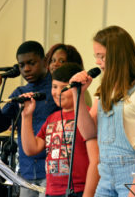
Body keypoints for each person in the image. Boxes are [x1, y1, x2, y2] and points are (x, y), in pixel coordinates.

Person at [69, 25, 135, 197]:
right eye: (96, 57)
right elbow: (88, 132)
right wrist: (79, 96)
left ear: (118, 56)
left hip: (134, 175)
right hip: (106, 175)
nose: (98, 62)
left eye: (102, 57)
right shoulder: (104, 91)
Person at [0, 41, 58, 197]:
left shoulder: (56, 89)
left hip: (52, 170)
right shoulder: (20, 92)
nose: (26, 69)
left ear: (44, 61)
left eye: (31, 63)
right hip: (26, 171)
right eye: (21, 65)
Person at [21, 63, 99, 197]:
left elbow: (95, 160)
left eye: (64, 88)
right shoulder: (52, 118)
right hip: (51, 191)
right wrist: (26, 117)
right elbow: (31, 149)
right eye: (54, 87)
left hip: (78, 190)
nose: (58, 93)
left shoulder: (86, 116)